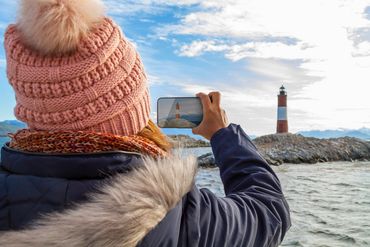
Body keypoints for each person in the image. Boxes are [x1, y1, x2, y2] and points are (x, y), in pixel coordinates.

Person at [0, 0, 291, 246]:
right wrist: (223, 135)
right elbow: (270, 211)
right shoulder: (177, 216)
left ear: (32, 110)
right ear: (134, 111)